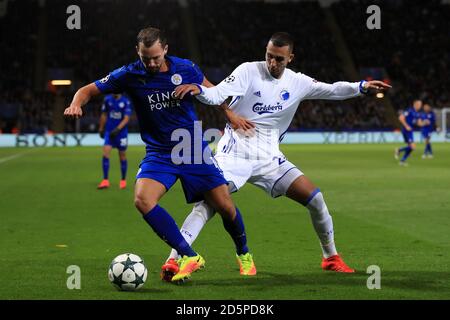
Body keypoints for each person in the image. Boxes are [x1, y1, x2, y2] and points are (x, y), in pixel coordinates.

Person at [160, 32, 391, 279]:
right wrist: (198, 90)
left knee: (315, 199)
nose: (272, 63)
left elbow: (332, 90)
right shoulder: (248, 71)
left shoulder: (297, 82)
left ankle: (330, 257)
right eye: (270, 56)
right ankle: (175, 259)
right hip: (234, 153)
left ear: (290, 58)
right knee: (209, 203)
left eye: (279, 59)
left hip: (270, 158)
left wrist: (362, 87)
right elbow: (217, 94)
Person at [64, 27, 254, 283]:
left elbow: (214, 92)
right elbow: (87, 90)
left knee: (224, 206)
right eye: (146, 58)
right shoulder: (129, 74)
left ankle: (244, 253)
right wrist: (76, 103)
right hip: (159, 152)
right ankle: (189, 255)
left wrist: (229, 113)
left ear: (165, 49)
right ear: (138, 52)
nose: (151, 63)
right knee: (142, 200)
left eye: (156, 57)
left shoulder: (186, 68)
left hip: (191, 147)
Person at [97, 93, 132, 190]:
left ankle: (123, 180)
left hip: (121, 133)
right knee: (105, 154)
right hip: (109, 132)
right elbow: (104, 114)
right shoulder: (107, 99)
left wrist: (117, 129)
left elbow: (126, 118)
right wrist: (101, 128)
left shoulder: (125, 101)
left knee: (122, 156)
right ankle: (105, 180)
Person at [395, 99, 423, 166]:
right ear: (415, 104)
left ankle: (400, 152)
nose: (420, 106)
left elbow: (419, 124)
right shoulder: (409, 110)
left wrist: (425, 122)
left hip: (410, 131)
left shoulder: (418, 113)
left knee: (411, 147)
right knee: (412, 147)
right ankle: (401, 158)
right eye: (419, 104)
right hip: (406, 130)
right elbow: (401, 118)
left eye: (421, 105)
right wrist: (407, 126)